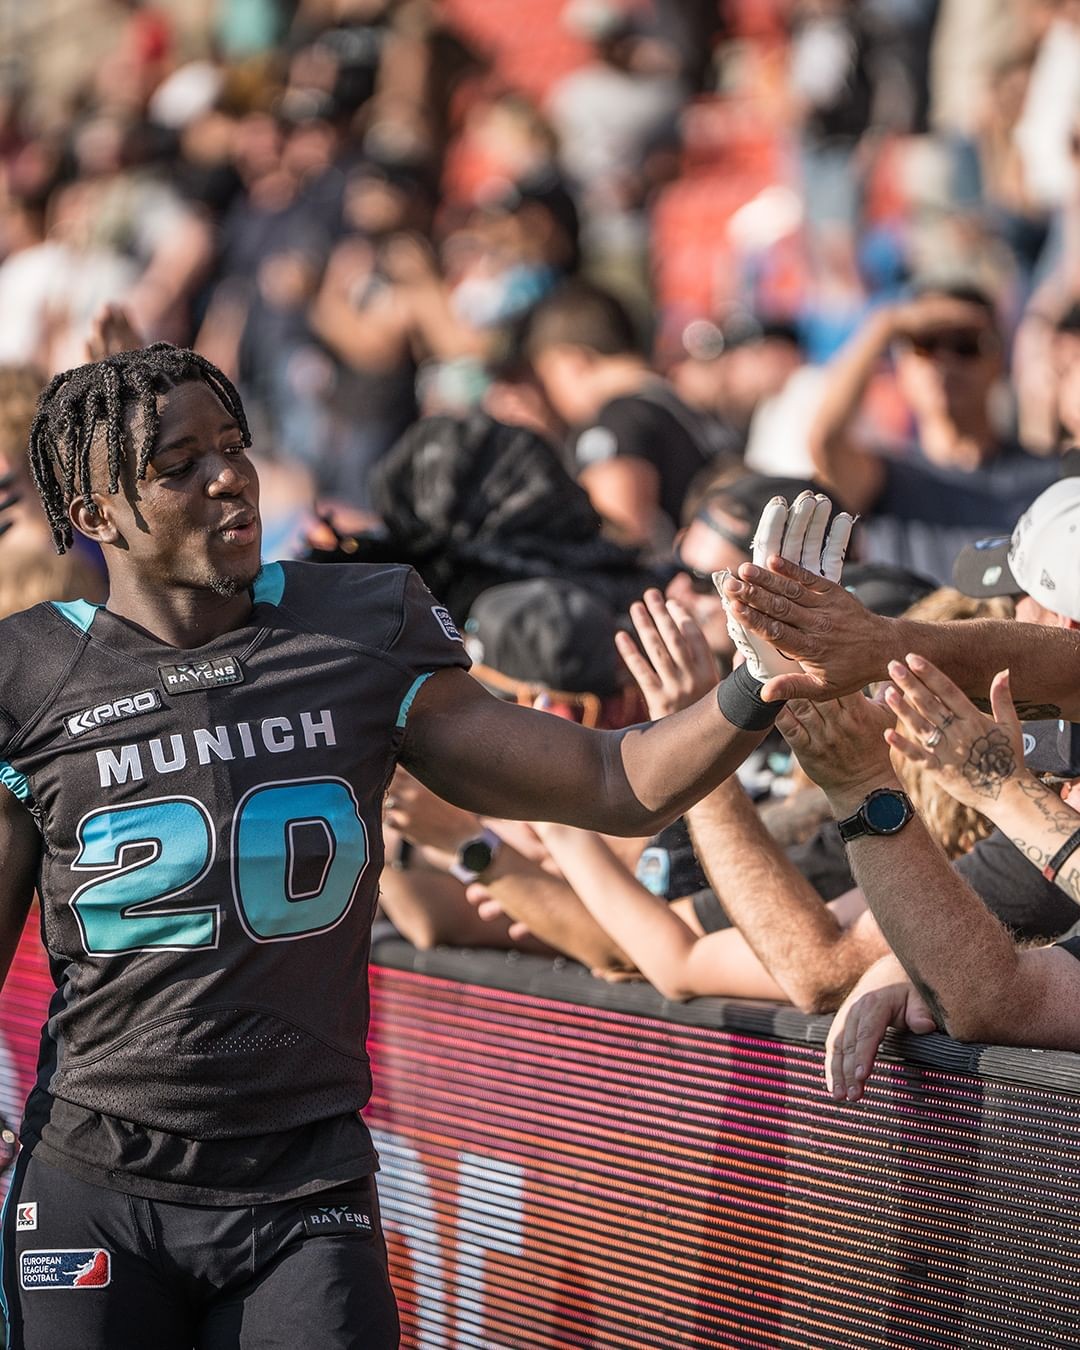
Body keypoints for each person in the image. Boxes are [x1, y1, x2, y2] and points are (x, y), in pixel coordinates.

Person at [0, 345, 854, 1348]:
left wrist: (752, 686)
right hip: (97, 1181)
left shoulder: (355, 627)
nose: (228, 477)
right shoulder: (28, 673)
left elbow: (613, 784)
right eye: (179, 465)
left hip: (302, 1188)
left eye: (234, 445)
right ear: (95, 514)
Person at [806, 280, 1059, 582]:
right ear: (900, 365)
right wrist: (887, 323)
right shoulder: (884, 476)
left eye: (966, 345)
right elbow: (825, 439)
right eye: (925, 343)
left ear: (998, 360)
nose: (945, 361)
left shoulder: (1049, 477)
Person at [523, 280, 734, 548]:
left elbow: (616, 536)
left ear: (572, 363)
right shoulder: (679, 403)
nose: (551, 397)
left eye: (548, 378)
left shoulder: (616, 421)